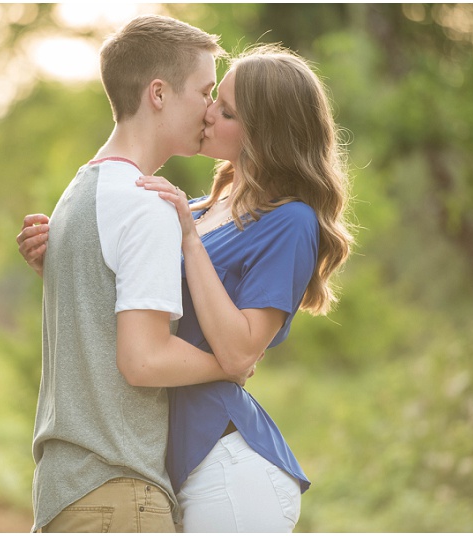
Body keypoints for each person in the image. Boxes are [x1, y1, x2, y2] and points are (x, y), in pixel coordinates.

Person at [19, 44, 354, 533]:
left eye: (227, 109)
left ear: (264, 133)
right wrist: (64, 259)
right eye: (213, 96)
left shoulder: (290, 222)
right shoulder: (197, 207)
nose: (208, 112)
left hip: (226, 463)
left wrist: (190, 242)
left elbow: (240, 351)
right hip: (164, 465)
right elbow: (139, 306)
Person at [18, 15, 258, 533]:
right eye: (204, 90)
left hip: (67, 492)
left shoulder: (78, 193)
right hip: (119, 496)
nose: (211, 109)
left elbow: (100, 328)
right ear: (158, 94)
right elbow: (144, 360)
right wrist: (228, 363)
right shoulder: (147, 204)